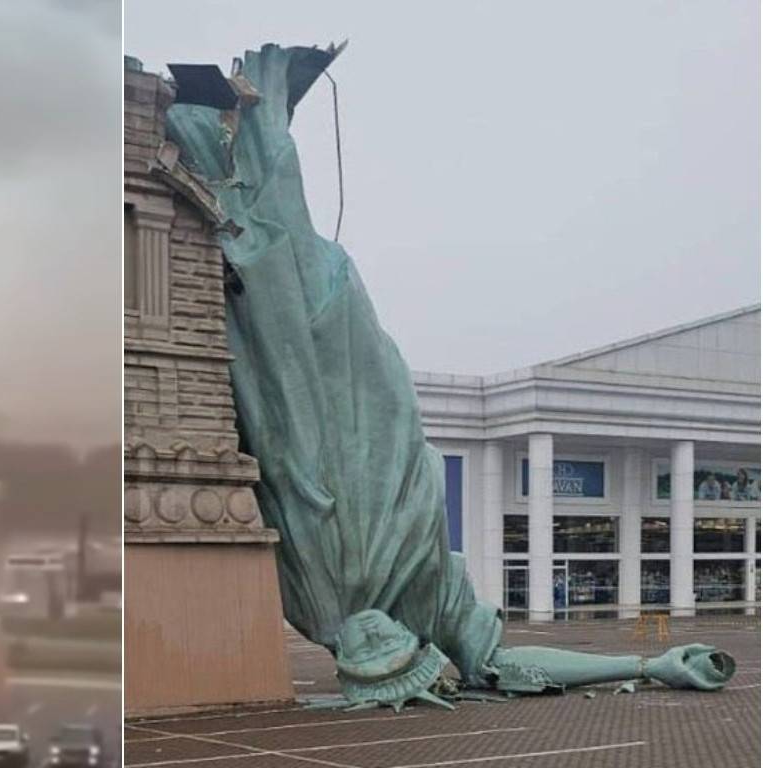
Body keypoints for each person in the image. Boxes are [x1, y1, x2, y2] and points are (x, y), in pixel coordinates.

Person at [164, 43, 736, 709]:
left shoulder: (318, 605)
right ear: (418, 648)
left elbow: (278, 458)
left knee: (280, 302)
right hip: (384, 427)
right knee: (329, 289)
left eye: (365, 659)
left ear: (348, 659)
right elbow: (504, 660)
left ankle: (229, 140)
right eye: (395, 651)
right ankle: (253, 129)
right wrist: (649, 660)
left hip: (302, 414)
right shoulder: (440, 608)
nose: (375, 641)